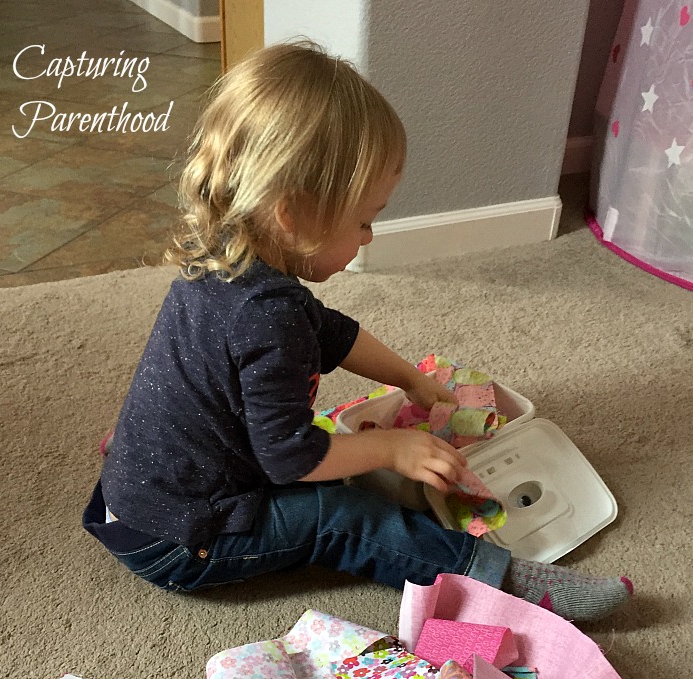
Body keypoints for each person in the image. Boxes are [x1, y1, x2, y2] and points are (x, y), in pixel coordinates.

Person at [83, 41, 632, 622]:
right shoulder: (270, 318)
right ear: (292, 214)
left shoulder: (225, 265)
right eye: (364, 220)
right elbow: (292, 461)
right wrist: (391, 448)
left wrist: (408, 380)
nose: (368, 237)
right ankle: (501, 581)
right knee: (343, 514)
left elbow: (332, 331)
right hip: (182, 540)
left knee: (305, 436)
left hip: (136, 500)